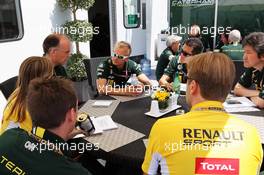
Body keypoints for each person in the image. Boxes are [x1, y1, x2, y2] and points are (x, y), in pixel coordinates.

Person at [142, 52, 263, 174]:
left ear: (193, 86)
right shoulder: (252, 134)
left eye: (187, 79)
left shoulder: (162, 128)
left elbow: (148, 172)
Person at [0, 77, 92, 175]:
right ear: (72, 114)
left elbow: (39, 136)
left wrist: (65, 136)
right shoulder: (76, 172)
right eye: (76, 108)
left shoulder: (10, 135)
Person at [0, 56, 53, 134]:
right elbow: (38, 135)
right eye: (49, 76)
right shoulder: (28, 107)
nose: (52, 79)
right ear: (41, 79)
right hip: (19, 143)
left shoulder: (19, 92)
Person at [234, 32, 264, 108]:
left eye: (248, 53)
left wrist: (250, 96)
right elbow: (237, 90)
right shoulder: (253, 68)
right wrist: (259, 93)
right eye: (244, 52)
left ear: (262, 56)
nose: (244, 57)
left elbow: (261, 103)